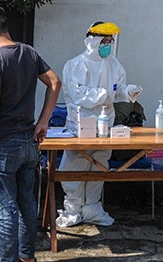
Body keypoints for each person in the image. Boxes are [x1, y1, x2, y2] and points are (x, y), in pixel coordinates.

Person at [0, 5, 61, 262]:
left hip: (4, 144)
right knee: (26, 202)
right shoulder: (29, 53)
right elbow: (54, 82)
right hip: (29, 142)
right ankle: (27, 254)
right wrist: (43, 121)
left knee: (5, 208)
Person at [56, 21, 142, 227]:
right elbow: (77, 94)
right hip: (81, 124)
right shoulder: (76, 65)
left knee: (100, 163)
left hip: (106, 124)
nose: (108, 45)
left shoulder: (113, 64)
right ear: (92, 41)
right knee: (75, 165)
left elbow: (117, 89)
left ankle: (92, 208)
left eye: (110, 41)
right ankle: (73, 209)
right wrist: (103, 94)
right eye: (104, 41)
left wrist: (128, 91)